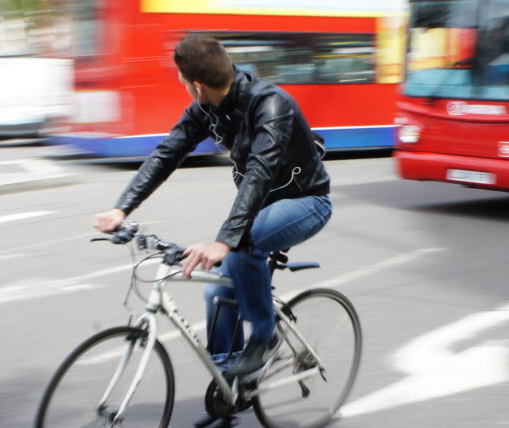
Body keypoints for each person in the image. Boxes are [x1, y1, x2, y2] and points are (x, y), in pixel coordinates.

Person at [93, 35, 332, 380]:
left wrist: (225, 240)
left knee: (242, 247)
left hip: (306, 201)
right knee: (216, 291)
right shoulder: (205, 110)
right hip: (259, 209)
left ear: (197, 85)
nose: (183, 89)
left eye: (182, 83)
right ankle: (227, 378)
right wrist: (121, 209)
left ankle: (264, 337)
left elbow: (259, 173)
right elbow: (166, 155)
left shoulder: (271, 105)